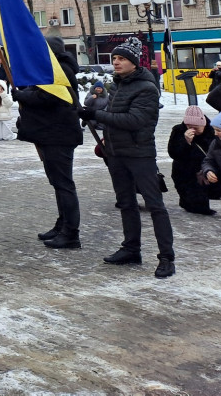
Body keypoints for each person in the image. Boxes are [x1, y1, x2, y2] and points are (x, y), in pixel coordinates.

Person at [78, 36, 175, 277]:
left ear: (134, 62)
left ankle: (167, 258)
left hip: (139, 154)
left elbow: (135, 121)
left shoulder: (146, 87)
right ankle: (131, 248)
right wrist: (92, 117)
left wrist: (97, 114)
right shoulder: (118, 84)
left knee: (155, 206)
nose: (116, 62)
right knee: (126, 203)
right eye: (114, 58)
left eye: (121, 58)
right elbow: (113, 117)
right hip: (117, 153)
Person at [15, 36, 83, 250]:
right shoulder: (56, 68)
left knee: (64, 185)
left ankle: (71, 233)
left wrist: (22, 96)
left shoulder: (59, 70)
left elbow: (49, 98)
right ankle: (62, 224)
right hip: (51, 133)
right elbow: (42, 93)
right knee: (58, 183)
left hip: (58, 135)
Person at [167, 105, 218, 215]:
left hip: (204, 169)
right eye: (189, 126)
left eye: (196, 127)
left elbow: (213, 151)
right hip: (184, 170)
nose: (192, 129)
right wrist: (186, 142)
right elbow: (173, 153)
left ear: (203, 124)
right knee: (192, 201)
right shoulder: (178, 130)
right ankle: (188, 203)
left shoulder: (212, 131)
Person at [199, 112, 221, 218]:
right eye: (214, 130)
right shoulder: (216, 143)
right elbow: (208, 160)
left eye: (219, 130)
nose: (215, 134)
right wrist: (208, 171)